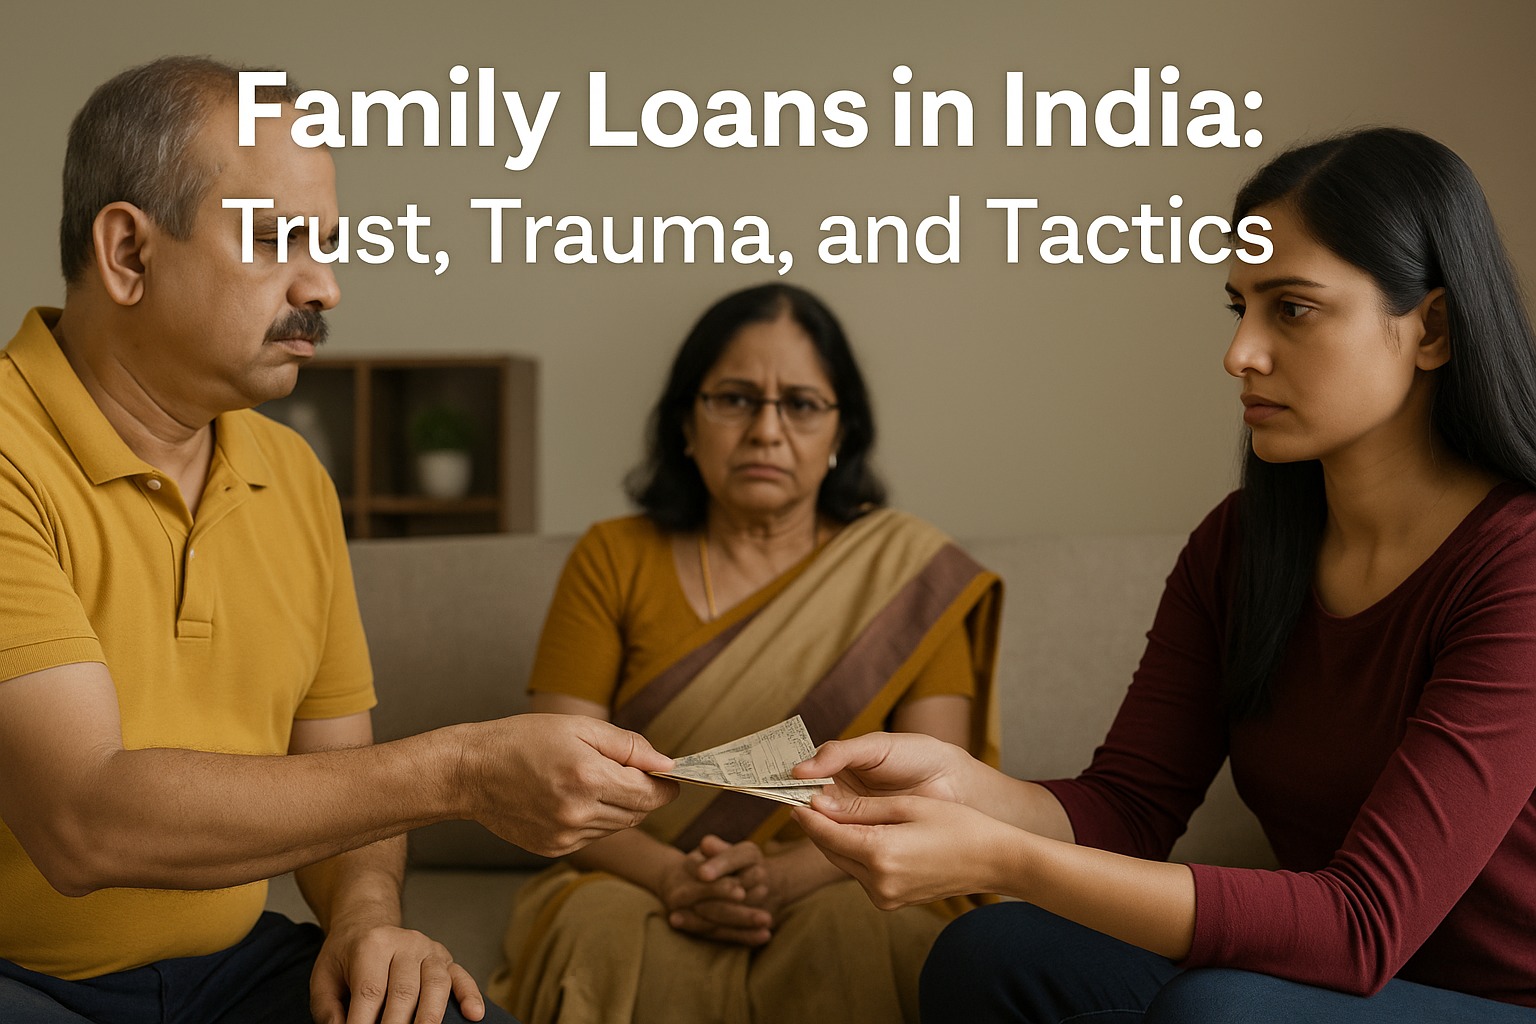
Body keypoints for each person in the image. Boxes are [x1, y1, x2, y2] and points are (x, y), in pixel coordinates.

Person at [791, 127, 1536, 1022]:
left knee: (1220, 1011)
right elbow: (1130, 808)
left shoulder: (1518, 565)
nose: (1241, 353)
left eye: (1293, 309)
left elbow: (1361, 927)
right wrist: (961, 787)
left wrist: (1001, 856)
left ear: (1432, 329)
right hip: (1321, 990)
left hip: (1495, 999)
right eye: (1240, 307)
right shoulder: (1240, 545)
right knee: (990, 954)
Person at [0, 56, 678, 1024]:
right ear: (129, 253)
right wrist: (463, 769)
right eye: (273, 237)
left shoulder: (295, 477)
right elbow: (83, 823)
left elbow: (342, 782)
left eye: (323, 243)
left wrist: (366, 922)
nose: (324, 286)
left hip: (228, 975)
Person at [485, 283, 1003, 1024]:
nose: (766, 430)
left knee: (866, 931)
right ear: (686, 424)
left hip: (841, 874)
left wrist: (785, 877)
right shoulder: (612, 557)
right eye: (735, 399)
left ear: (842, 432)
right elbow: (556, 776)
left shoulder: (908, 578)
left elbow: (934, 798)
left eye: (800, 404)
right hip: (640, 874)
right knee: (595, 929)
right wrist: (676, 879)